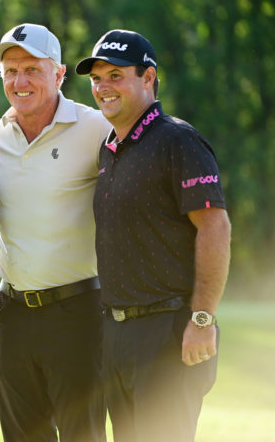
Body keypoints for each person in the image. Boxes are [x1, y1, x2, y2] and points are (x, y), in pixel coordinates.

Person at [75, 29, 231, 442]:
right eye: (96, 79)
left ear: (148, 78)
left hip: (169, 332)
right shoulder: (109, 148)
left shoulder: (177, 140)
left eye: (115, 75)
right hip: (118, 333)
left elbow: (215, 227)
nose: (103, 87)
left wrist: (202, 320)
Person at [0, 23, 112, 441]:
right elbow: (2, 211)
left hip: (79, 311)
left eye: (33, 69)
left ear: (58, 75)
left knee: (81, 434)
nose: (20, 81)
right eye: (10, 70)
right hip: (13, 313)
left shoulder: (96, 128)